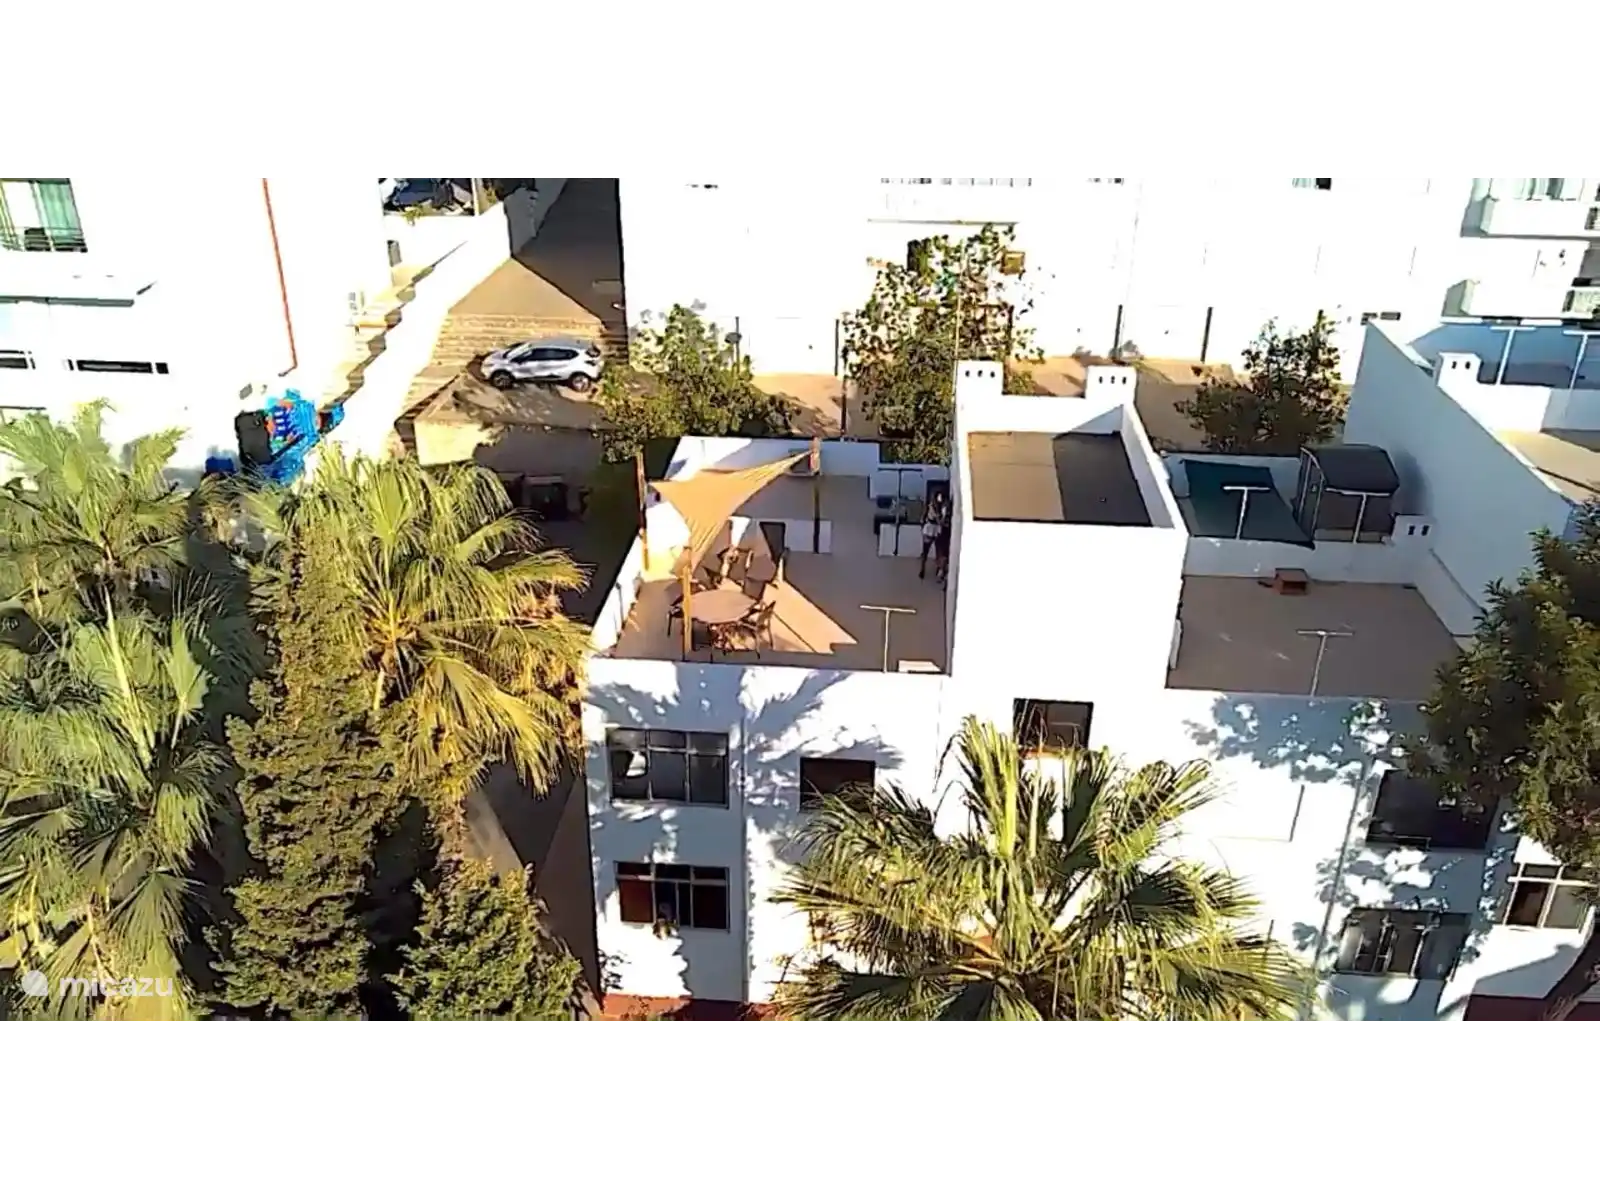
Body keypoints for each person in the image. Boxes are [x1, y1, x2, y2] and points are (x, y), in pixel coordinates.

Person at [918, 497, 943, 579]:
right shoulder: (930, 507)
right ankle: (923, 569)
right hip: (930, 529)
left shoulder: (940, 508)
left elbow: (940, 521)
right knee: (926, 551)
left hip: (935, 529)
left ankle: (938, 568)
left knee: (938, 551)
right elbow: (923, 518)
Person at [934, 511, 953, 585]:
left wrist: (939, 519)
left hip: (945, 538)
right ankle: (942, 573)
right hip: (944, 537)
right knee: (943, 556)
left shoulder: (947, 519)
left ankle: (942, 573)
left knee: (944, 556)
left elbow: (941, 523)